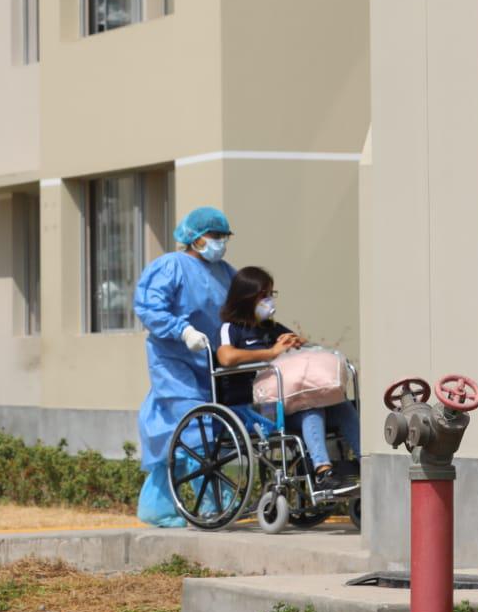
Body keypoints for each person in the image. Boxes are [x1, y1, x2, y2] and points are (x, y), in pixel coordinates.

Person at [132, 206, 237, 527]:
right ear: (193, 237)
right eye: (214, 236)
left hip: (213, 363)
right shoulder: (170, 266)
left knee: (175, 434)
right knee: (196, 426)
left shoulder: (226, 272)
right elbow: (149, 306)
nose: (219, 242)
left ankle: (158, 506)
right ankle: (211, 502)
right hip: (174, 360)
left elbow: (240, 308)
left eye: (224, 237)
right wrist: (182, 329)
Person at [215, 266, 361, 495]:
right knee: (311, 409)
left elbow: (299, 348)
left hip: (287, 403)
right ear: (247, 298)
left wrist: (297, 341)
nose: (269, 301)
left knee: (342, 406)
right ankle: (323, 472)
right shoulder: (231, 329)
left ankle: (366, 464)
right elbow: (226, 357)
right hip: (253, 410)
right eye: (264, 295)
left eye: (271, 294)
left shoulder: (271, 328)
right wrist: (271, 353)